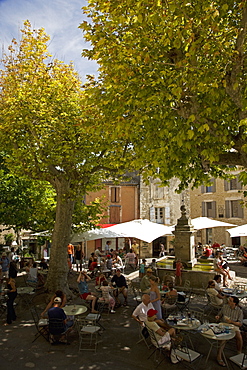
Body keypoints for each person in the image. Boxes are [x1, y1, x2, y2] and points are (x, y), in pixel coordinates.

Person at [215, 296, 243, 367]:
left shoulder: (239, 311)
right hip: (224, 325)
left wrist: (232, 322)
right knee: (223, 339)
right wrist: (218, 316)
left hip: (233, 326)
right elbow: (220, 314)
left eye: (230, 301)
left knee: (239, 337)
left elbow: (240, 324)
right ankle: (219, 356)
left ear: (234, 303)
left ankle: (239, 352)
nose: (228, 301)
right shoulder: (225, 307)